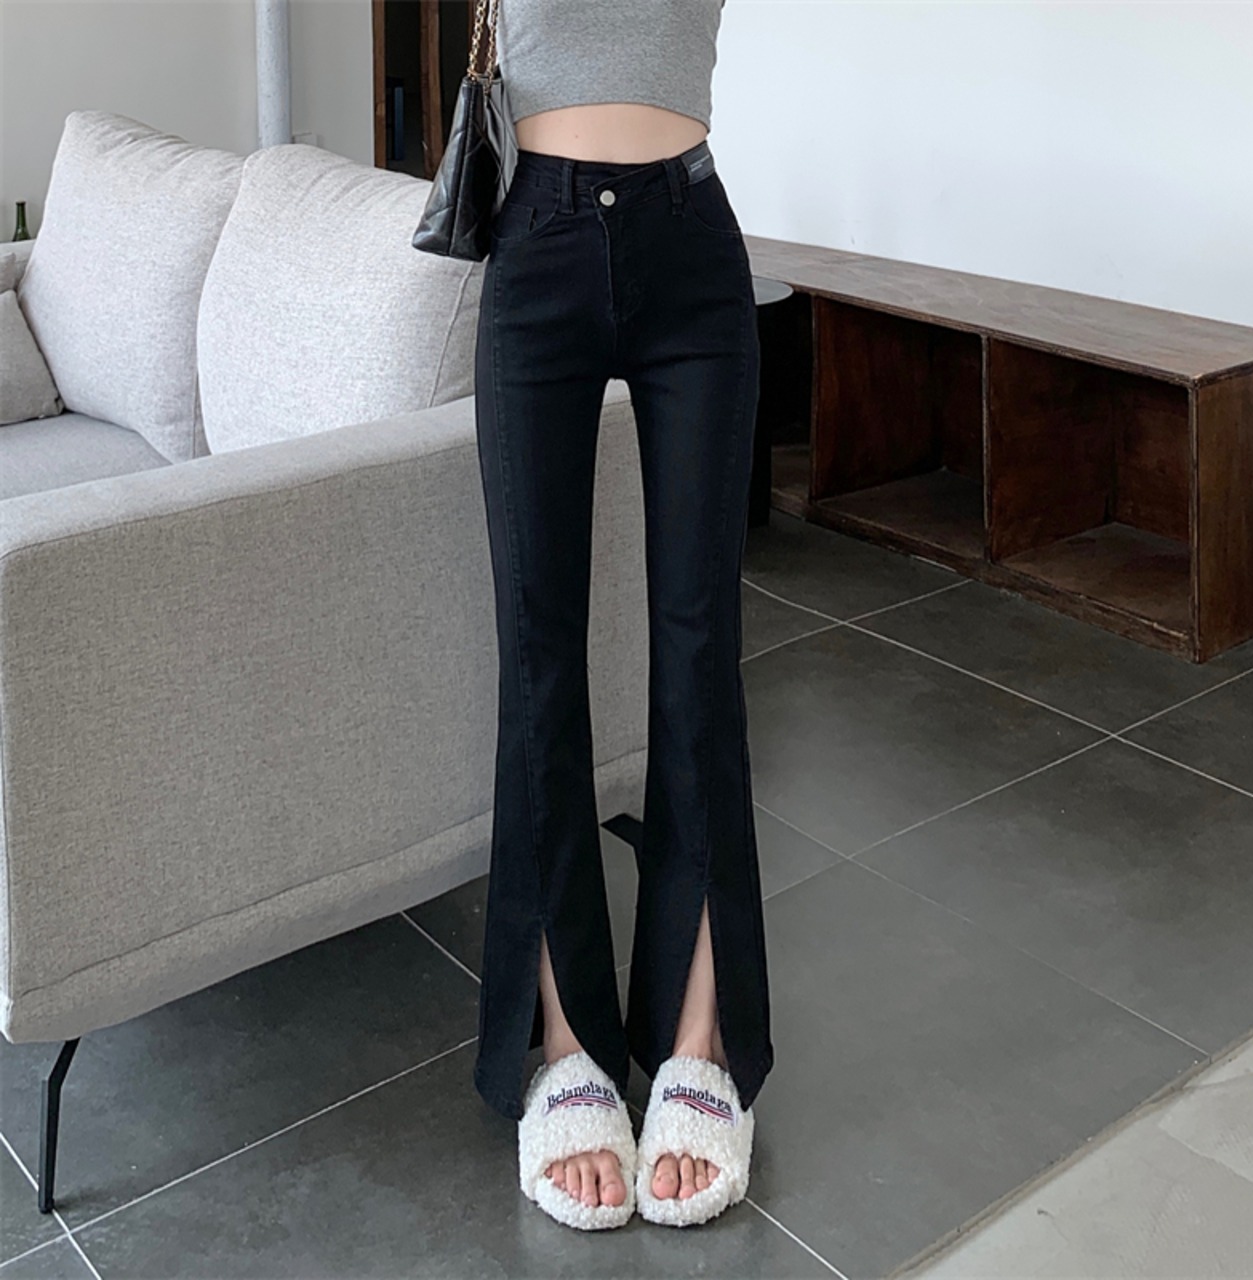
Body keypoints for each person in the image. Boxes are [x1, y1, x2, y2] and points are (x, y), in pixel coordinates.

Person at [471, 0, 774, 1230]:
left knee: (700, 652)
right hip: (536, 236)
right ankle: (563, 1039)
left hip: (689, 240)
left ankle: (699, 1032)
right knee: (537, 651)